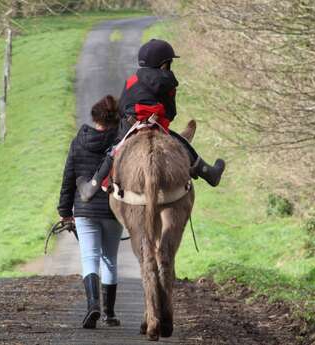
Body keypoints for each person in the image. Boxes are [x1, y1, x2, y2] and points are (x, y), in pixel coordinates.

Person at [76, 39, 226, 202]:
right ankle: (209, 173)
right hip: (157, 125)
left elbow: (123, 107)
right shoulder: (169, 82)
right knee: (181, 142)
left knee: (113, 151)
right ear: (164, 64)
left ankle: (91, 187)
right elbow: (171, 113)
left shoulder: (132, 80)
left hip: (131, 125)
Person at [58, 95, 123, 329]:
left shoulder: (79, 141)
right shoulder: (121, 142)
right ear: (116, 119)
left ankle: (92, 305)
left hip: (84, 209)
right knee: (109, 260)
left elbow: (68, 177)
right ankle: (110, 313)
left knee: (89, 258)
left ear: (94, 117)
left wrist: (65, 211)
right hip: (113, 209)